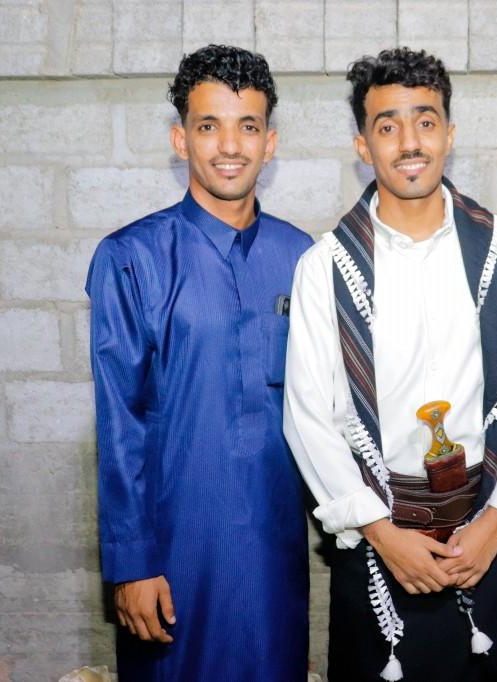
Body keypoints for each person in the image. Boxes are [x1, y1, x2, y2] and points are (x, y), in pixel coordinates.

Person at [283, 47, 497, 681]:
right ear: (363, 145)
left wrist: (495, 524)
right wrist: (382, 534)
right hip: (380, 543)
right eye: (388, 126)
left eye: (426, 121)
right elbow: (307, 417)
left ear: (449, 134)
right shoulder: (324, 266)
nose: (409, 142)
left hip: (487, 535)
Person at [86, 45, 312, 681]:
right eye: (209, 126)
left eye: (248, 127)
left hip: (274, 553)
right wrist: (131, 564)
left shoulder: (304, 257)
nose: (229, 146)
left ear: (270, 143)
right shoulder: (131, 258)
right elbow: (119, 424)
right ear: (180, 139)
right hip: (172, 556)